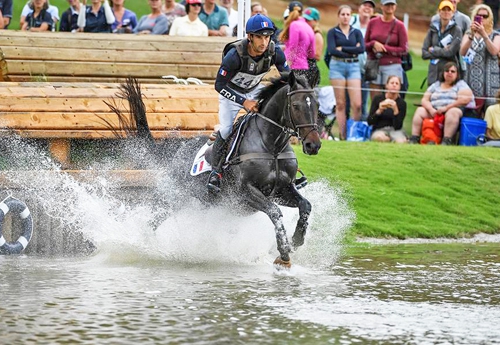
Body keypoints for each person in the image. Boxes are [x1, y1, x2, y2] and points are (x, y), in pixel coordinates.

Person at [207, 14, 289, 193]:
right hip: (231, 94)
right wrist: (243, 101)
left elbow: (287, 77)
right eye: (259, 37)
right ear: (250, 37)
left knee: (270, 122)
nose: (264, 42)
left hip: (254, 90)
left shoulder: (275, 51)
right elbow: (219, 85)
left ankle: (285, 169)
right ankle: (216, 172)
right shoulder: (234, 55)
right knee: (227, 129)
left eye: (267, 37)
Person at [409, 62, 474, 145]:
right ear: (443, 73)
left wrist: (446, 108)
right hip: (434, 110)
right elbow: (424, 99)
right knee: (420, 110)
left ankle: (447, 140)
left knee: (453, 112)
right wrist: (431, 109)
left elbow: (464, 100)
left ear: (457, 74)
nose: (449, 73)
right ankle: (415, 138)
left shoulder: (461, 84)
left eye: (452, 71)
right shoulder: (436, 85)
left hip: (451, 110)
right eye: (447, 71)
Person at [325, 5, 364, 140]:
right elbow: (332, 50)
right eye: (343, 14)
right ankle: (343, 136)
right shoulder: (332, 32)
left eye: (348, 14)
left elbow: (362, 49)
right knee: (341, 103)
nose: (345, 17)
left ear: (351, 16)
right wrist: (353, 48)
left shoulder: (357, 32)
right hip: (337, 67)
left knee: (357, 104)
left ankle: (355, 134)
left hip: (353, 67)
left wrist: (343, 48)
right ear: (339, 16)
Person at [364, 0, 408, 100]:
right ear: (381, 6)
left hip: (392, 65)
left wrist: (384, 48)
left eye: (392, 4)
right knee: (375, 99)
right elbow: (364, 44)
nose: (389, 7)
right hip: (374, 65)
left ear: (395, 6)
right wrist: (373, 44)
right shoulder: (373, 22)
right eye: (387, 4)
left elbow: (404, 49)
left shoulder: (399, 26)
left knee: (391, 98)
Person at [460, 4, 500, 111]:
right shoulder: (468, 34)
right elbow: (462, 52)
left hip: (490, 82)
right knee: (471, 111)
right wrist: (472, 35)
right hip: (471, 79)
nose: (481, 18)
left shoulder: (496, 35)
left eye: (485, 16)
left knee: (489, 113)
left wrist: (484, 34)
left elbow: (494, 51)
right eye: (479, 15)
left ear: (490, 18)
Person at [422, 0, 463, 86]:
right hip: (433, 73)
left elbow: (451, 53)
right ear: (439, 12)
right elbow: (424, 53)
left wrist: (433, 50)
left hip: (449, 73)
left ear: (453, 13)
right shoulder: (433, 29)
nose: (446, 12)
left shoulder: (456, 30)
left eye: (449, 10)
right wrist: (443, 51)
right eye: (443, 10)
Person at [279, 1, 318, 87]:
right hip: (303, 67)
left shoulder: (294, 25)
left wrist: (287, 67)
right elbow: (311, 53)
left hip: (291, 66)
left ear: (289, 12)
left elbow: (293, 47)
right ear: (302, 12)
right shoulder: (309, 27)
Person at [349, 0, 376, 120]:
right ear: (359, 8)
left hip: (366, 69)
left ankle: (359, 130)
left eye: (370, 7)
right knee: (346, 102)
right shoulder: (351, 21)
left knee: (362, 103)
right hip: (350, 67)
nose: (367, 8)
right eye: (365, 5)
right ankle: (345, 132)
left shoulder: (374, 25)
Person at [367, 75, 407, 143]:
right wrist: (379, 110)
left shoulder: (402, 103)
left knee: (401, 141)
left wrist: (395, 110)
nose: (394, 85)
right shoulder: (378, 99)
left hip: (395, 131)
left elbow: (398, 126)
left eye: (397, 83)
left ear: (399, 87)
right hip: (379, 130)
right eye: (392, 83)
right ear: (387, 85)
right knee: (380, 138)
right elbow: (370, 121)